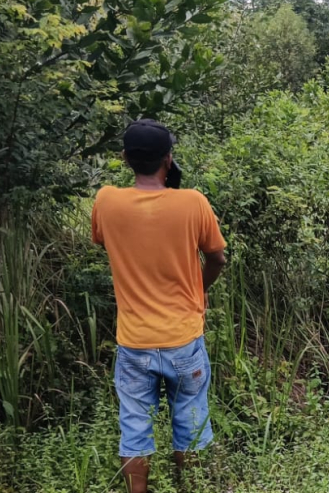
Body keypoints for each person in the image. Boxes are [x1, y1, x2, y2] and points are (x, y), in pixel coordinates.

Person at [91, 119, 227, 492]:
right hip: (183, 339)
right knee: (191, 420)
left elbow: (104, 242)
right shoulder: (193, 202)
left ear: (125, 158)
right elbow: (217, 258)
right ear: (169, 159)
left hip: (134, 341)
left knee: (134, 426)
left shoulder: (106, 201)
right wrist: (198, 290)